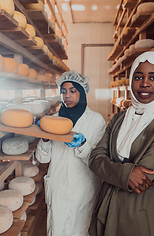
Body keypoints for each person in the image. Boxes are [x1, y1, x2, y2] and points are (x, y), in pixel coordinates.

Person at [88, 51, 154, 236]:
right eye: (138, 77)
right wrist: (127, 173)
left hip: (141, 211)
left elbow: (143, 178)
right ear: (131, 80)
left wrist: (110, 168)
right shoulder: (119, 118)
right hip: (106, 203)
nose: (145, 83)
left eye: (153, 77)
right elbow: (94, 159)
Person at [35, 70, 106, 236]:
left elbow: (97, 160)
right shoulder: (53, 120)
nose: (67, 95)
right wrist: (44, 138)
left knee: (80, 230)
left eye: (73, 91)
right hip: (58, 186)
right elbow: (42, 158)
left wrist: (82, 144)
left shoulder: (96, 120)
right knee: (57, 229)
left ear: (82, 92)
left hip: (83, 186)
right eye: (64, 91)